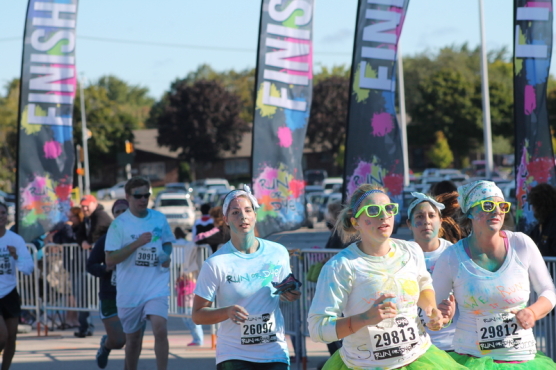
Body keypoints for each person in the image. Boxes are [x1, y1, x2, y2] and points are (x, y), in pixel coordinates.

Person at [307, 184, 465, 370]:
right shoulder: (341, 266)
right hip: (363, 365)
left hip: (418, 359)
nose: (383, 216)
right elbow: (318, 329)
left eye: (389, 208)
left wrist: (432, 312)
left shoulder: (411, 251)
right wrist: (364, 319)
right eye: (373, 210)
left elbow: (423, 284)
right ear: (356, 221)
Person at [433, 180, 556, 369]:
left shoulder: (521, 244)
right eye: (488, 205)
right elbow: (434, 313)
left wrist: (532, 312)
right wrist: (443, 316)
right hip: (471, 358)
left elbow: (549, 291)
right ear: (471, 212)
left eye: (502, 206)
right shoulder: (451, 257)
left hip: (521, 358)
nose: (497, 211)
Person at [192, 185, 301, 369]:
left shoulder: (278, 253)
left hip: (273, 351)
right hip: (234, 354)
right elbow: (197, 315)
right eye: (235, 212)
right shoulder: (216, 263)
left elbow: (286, 289)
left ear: (255, 215)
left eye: (247, 210)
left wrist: (290, 293)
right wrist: (226, 312)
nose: (243, 216)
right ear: (226, 219)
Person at [105, 177, 175, 370]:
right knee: (133, 340)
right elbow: (110, 259)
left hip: (156, 286)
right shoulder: (119, 225)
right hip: (130, 291)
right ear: (128, 197)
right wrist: (137, 244)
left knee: (160, 328)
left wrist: (166, 255)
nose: (143, 199)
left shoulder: (159, 218)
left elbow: (168, 243)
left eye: (146, 195)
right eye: (138, 196)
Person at [406, 192, 457, 351]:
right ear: (409, 224)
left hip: (450, 344)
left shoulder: (454, 253)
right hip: (413, 345)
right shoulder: (401, 254)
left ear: (440, 221)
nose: (426, 221)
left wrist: (452, 311)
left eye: (431, 216)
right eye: (419, 216)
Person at [87, 199, 129, 369]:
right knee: (118, 341)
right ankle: (106, 345)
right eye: (117, 211)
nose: (121, 214)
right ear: (113, 215)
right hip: (110, 294)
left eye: (124, 210)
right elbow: (90, 265)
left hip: (135, 294)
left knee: (133, 341)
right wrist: (106, 268)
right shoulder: (106, 239)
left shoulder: (140, 237)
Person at [0, 202, 34, 369]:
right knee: (2, 336)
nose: (1, 216)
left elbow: (28, 269)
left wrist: (16, 257)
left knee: (12, 337)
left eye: (3, 212)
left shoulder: (15, 240)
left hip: (9, 293)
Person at [75, 195, 113, 338]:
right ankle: (85, 326)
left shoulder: (101, 216)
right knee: (83, 295)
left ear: (94, 204)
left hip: (107, 264)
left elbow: (95, 236)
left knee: (94, 296)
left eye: (86, 205)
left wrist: (90, 243)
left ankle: (91, 326)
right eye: (82, 206)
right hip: (97, 264)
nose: (84, 208)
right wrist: (83, 242)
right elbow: (79, 234)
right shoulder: (88, 218)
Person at [45, 206, 85, 328]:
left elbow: (71, 239)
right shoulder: (66, 227)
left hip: (78, 265)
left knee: (74, 293)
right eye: (68, 217)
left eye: (71, 217)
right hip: (68, 265)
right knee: (70, 293)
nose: (69, 219)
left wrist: (67, 227)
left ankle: (73, 319)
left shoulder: (80, 228)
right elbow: (57, 239)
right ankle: (70, 319)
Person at [527, 183, 556, 257]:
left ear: (540, 205)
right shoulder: (541, 225)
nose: (533, 209)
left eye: (533, 204)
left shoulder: (552, 224)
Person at [176, 271, 204, 347]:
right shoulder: (182, 283)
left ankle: (198, 340)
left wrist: (180, 284)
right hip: (182, 305)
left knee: (193, 324)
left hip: (189, 306)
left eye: (183, 275)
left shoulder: (191, 283)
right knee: (188, 324)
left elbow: (184, 291)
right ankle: (196, 339)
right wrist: (178, 283)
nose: (182, 276)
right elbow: (177, 290)